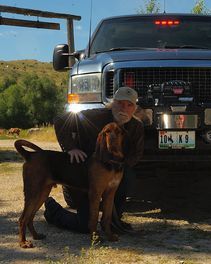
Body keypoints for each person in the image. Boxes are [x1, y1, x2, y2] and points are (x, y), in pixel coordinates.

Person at [44, 86, 144, 234]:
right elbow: (60, 120)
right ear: (112, 103)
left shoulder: (136, 127)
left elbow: (135, 155)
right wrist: (71, 148)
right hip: (82, 174)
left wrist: (116, 171)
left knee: (127, 176)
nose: (124, 108)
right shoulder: (94, 116)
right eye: (120, 103)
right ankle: (52, 209)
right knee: (85, 225)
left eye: (129, 105)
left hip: (111, 172)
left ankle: (112, 220)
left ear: (134, 108)